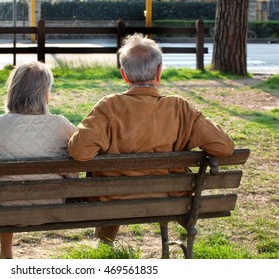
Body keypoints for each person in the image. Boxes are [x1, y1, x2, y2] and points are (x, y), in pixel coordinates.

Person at [68, 33, 234, 246]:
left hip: (113, 201)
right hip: (170, 199)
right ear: (159, 72)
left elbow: (79, 152)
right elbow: (225, 147)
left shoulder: (109, 106)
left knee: (111, 182)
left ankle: (105, 245)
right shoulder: (180, 108)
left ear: (124, 75)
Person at [0, 61, 77, 258]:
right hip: (50, 205)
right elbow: (76, 165)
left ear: (12, 92)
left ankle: (5, 251)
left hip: (2, 207)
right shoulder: (62, 125)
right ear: (46, 95)